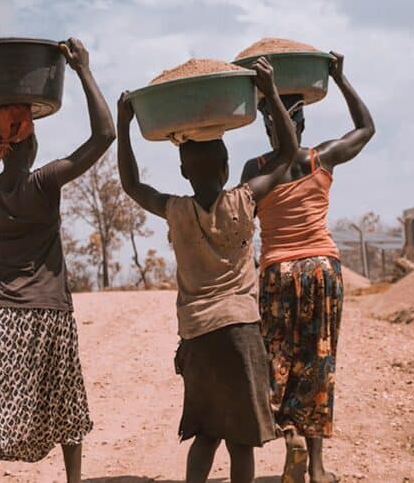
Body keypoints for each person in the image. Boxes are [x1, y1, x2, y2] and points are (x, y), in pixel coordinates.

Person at [0, 37, 115, 483]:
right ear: (28, 142)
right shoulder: (45, 182)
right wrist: (83, 70)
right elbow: (105, 135)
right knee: (65, 403)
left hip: (0, 316)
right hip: (50, 313)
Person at [117, 58, 297, 483]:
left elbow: (131, 185)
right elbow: (287, 154)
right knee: (240, 440)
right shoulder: (244, 200)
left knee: (205, 434)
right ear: (225, 166)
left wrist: (125, 125)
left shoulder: (175, 211)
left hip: (197, 334)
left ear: (182, 170)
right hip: (240, 331)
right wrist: (270, 93)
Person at [239, 52, 375, 483]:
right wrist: (340, 77)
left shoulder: (255, 170)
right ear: (301, 123)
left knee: (277, 362)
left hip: (278, 271)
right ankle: (315, 469)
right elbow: (367, 128)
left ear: (268, 122)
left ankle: (290, 433)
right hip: (322, 268)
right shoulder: (321, 158)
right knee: (318, 363)